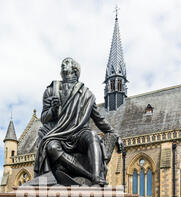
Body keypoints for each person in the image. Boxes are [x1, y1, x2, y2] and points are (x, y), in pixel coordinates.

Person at [34, 57, 120, 186]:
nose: (63, 64)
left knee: (92, 136)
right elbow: (44, 118)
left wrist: (115, 134)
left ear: (75, 69)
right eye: (62, 63)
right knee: (51, 147)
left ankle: (97, 176)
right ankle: (89, 176)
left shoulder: (87, 94)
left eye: (67, 62)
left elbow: (99, 119)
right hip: (58, 134)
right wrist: (53, 109)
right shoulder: (51, 91)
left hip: (78, 133)